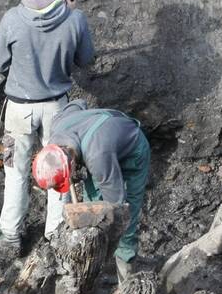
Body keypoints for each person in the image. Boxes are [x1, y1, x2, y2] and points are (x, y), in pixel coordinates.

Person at [0, 0, 94, 255]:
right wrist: (69, 22)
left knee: (17, 172)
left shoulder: (11, 18)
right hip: (57, 110)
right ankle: (55, 235)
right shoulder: (74, 18)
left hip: (20, 108)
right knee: (58, 172)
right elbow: (85, 60)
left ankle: (10, 236)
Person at [31, 99, 151, 281]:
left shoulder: (98, 157)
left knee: (126, 215)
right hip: (100, 146)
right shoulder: (56, 133)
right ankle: (93, 259)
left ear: (70, 162)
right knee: (91, 202)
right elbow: (78, 103)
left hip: (132, 149)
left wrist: (111, 235)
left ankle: (125, 273)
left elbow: (117, 206)